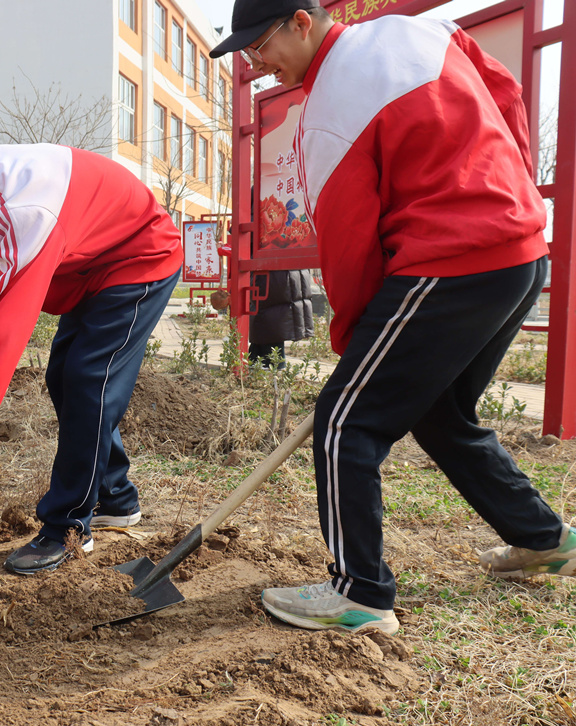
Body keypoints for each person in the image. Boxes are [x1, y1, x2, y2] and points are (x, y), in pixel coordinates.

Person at [210, 0, 574, 635]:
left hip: (450, 262)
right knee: (439, 413)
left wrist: (355, 341)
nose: (257, 63)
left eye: (260, 44)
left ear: (302, 20)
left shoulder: (329, 110)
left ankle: (361, 593)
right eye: (245, 53)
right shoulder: (419, 32)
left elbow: (349, 244)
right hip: (517, 253)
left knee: (345, 423)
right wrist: (512, 195)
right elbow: (506, 92)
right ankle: (547, 541)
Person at [0, 127, 184, 574]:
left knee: (88, 379)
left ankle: (67, 526)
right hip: (88, 267)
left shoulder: (23, 211)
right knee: (63, 375)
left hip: (139, 256)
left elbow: (4, 330)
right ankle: (116, 497)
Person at [248, 269, 314, 370]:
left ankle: (270, 369)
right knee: (268, 326)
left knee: (267, 325)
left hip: (271, 274)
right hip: (286, 274)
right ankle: (268, 367)